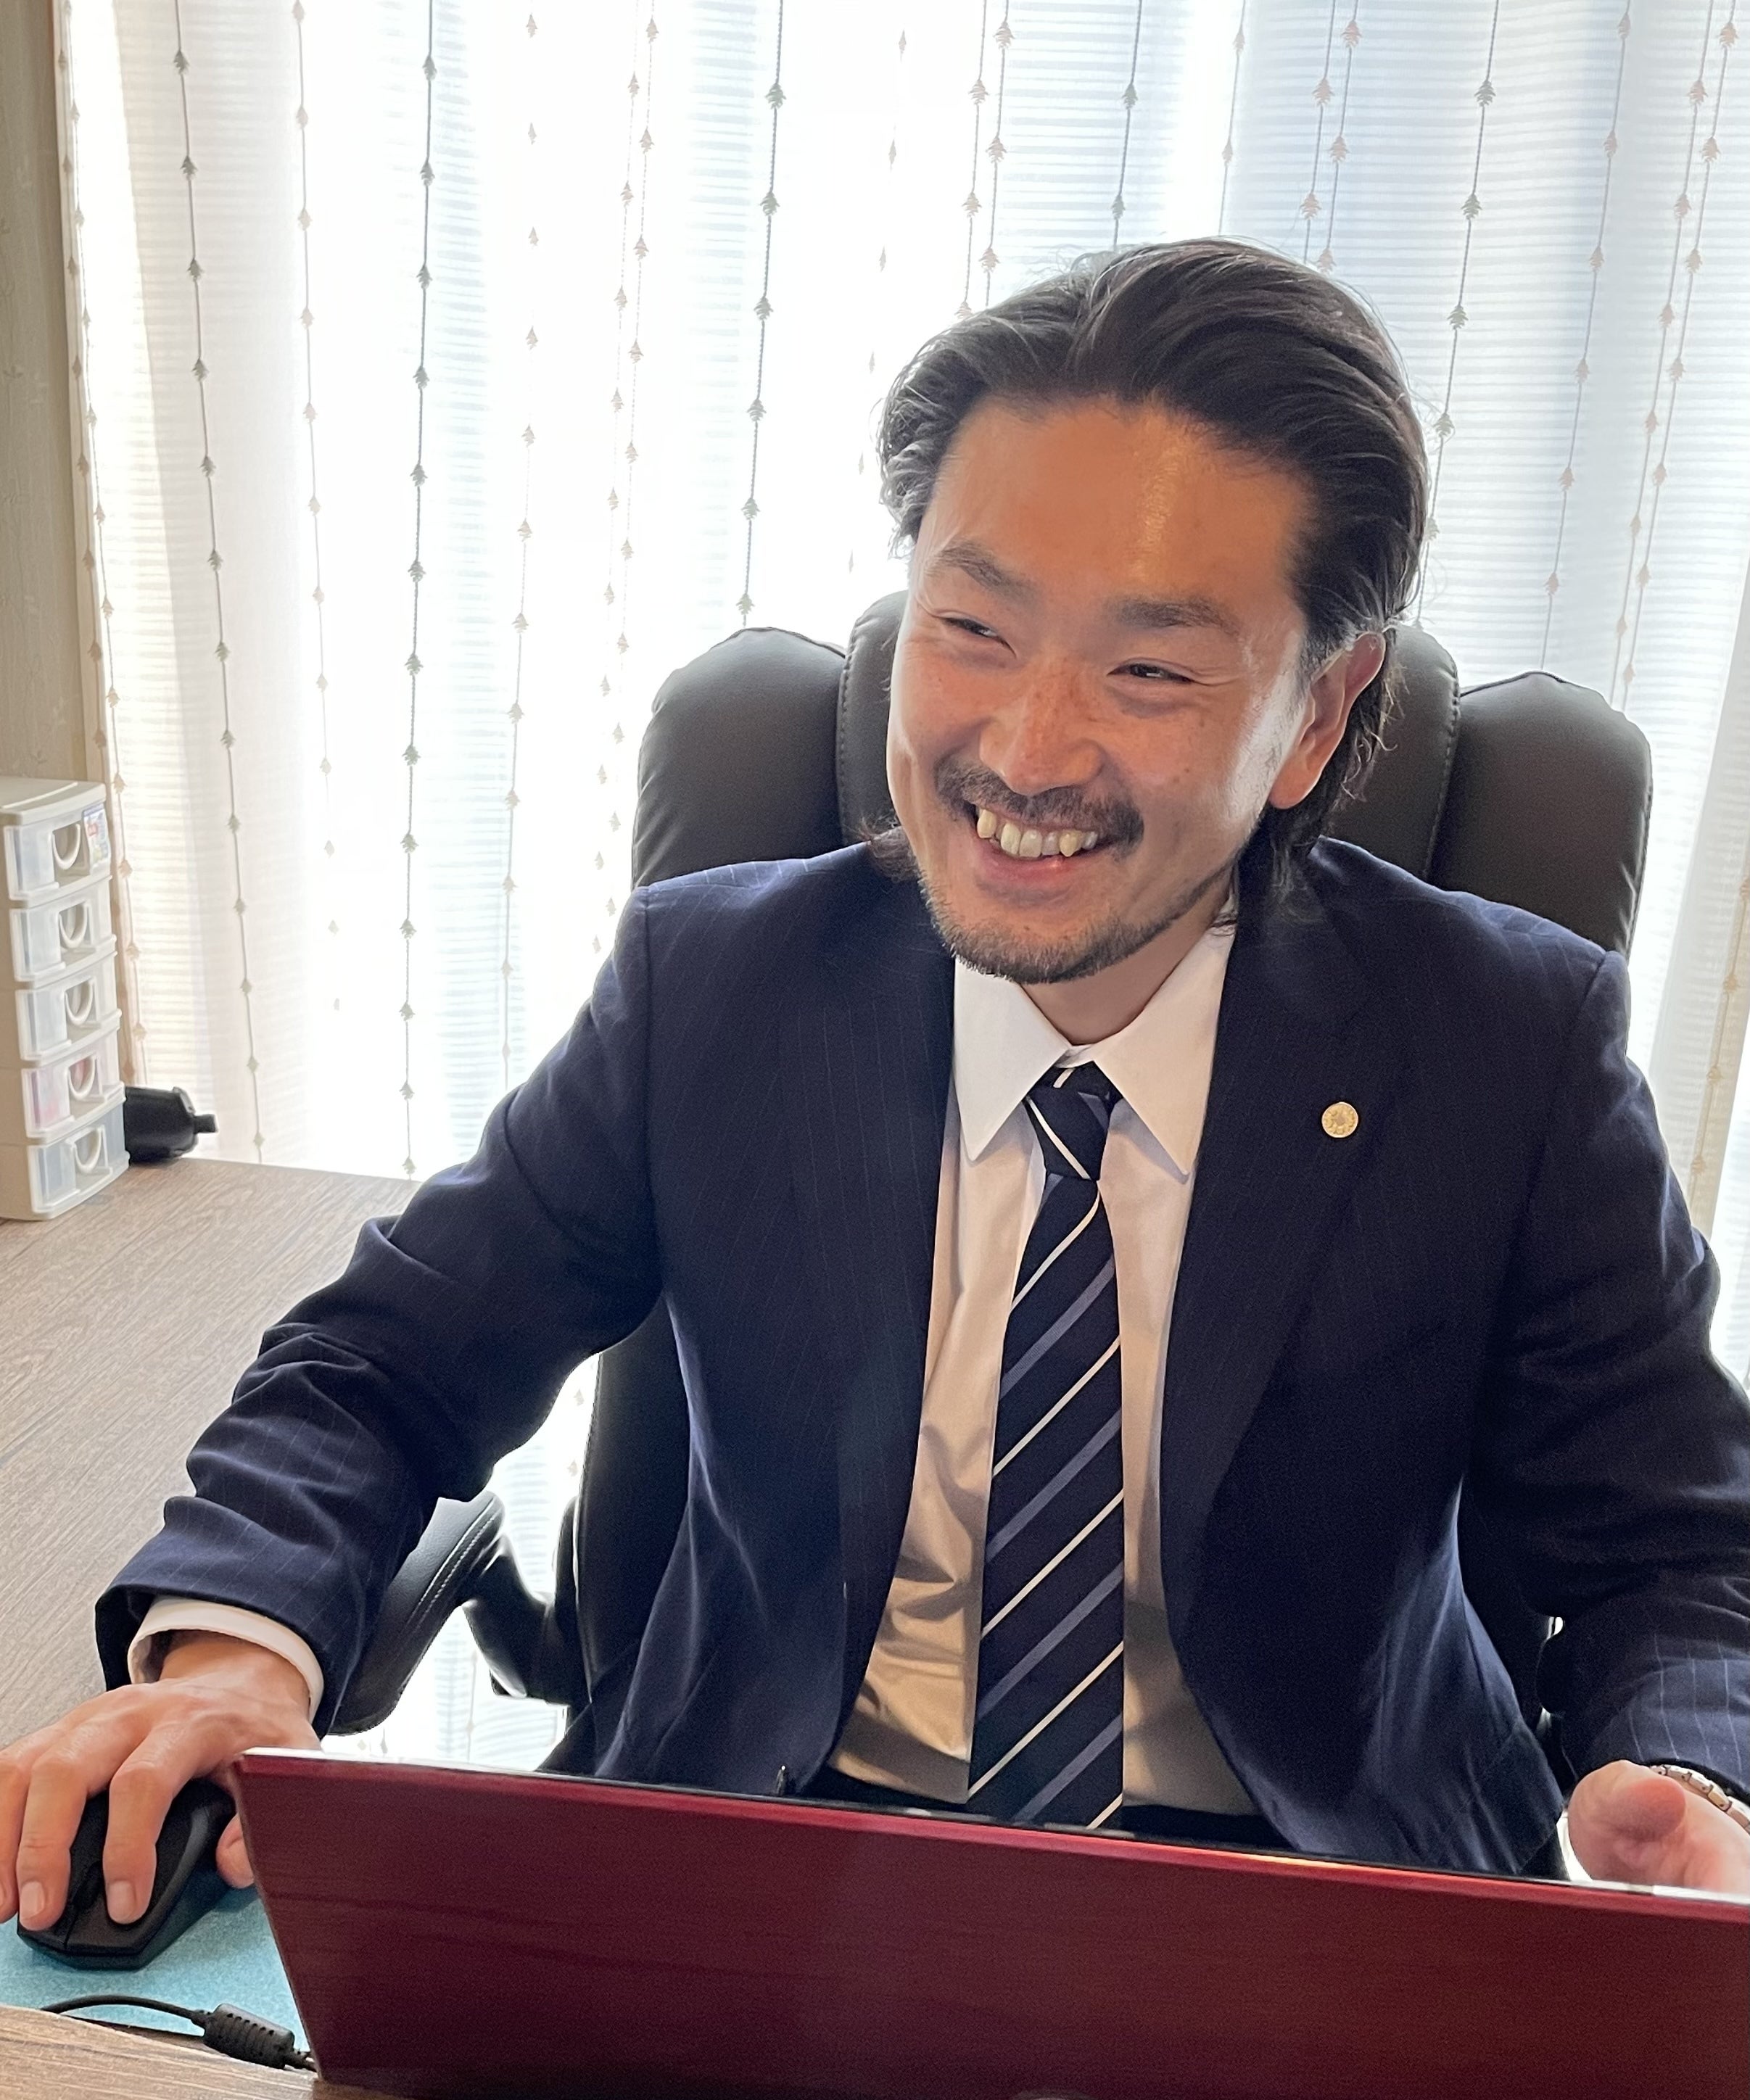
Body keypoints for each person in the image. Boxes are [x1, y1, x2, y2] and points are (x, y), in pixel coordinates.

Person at [3, 239, 1746, 1935]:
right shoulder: (717, 989)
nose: (1026, 752)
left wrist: (1690, 1784)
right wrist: (232, 1652)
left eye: (1148, 669)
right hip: (762, 1871)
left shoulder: (1502, 1045)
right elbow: (380, 1367)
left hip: (1310, 1903)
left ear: (1312, 716)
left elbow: (1677, 1548)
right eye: (971, 626)